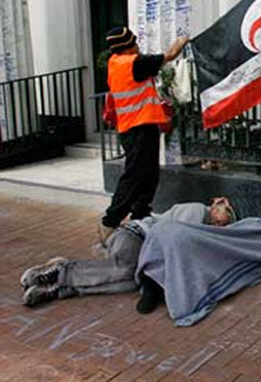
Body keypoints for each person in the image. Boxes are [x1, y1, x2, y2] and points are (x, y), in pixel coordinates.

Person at [20, 198, 236, 313]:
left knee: (130, 283)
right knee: (124, 270)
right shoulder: (198, 211)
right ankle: (60, 271)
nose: (219, 224)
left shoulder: (203, 225)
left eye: (223, 225)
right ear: (215, 206)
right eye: (222, 217)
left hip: (143, 248)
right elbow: (177, 238)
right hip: (136, 235)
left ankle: (60, 289)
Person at [99, 27, 188, 245]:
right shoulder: (134, 63)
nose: (138, 45)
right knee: (135, 175)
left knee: (148, 173)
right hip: (137, 127)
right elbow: (169, 55)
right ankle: (110, 221)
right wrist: (183, 40)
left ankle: (141, 215)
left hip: (135, 126)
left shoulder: (115, 61)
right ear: (128, 46)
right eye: (134, 42)